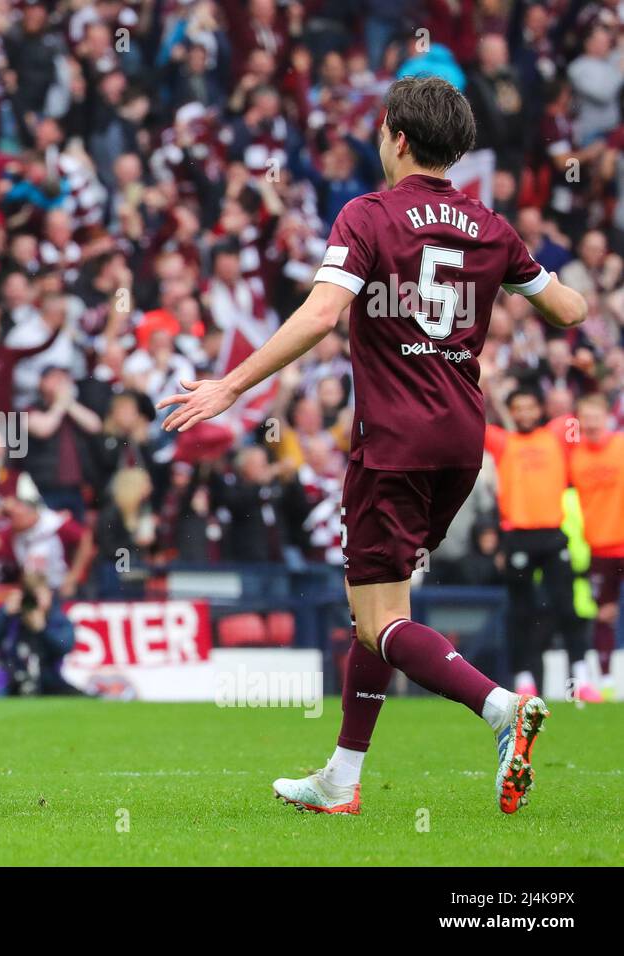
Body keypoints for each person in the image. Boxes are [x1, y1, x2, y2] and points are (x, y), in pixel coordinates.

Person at [159, 76, 587, 816]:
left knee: (377, 619)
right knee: (381, 606)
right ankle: (340, 778)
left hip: (393, 436)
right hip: (462, 438)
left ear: (393, 135)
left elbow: (324, 314)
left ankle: (500, 709)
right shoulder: (489, 224)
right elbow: (569, 310)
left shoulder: (368, 215)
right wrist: (517, 280)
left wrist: (230, 387)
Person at [484, 387, 596, 700]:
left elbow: (589, 410)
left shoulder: (557, 435)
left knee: (567, 607)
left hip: (553, 533)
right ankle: (523, 681)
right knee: (521, 612)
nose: (525, 413)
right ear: (511, 412)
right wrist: (485, 383)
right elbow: (471, 420)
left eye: (530, 407)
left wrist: (586, 375)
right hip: (518, 536)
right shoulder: (502, 441)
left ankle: (581, 681)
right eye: (518, 408)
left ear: (540, 409)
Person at [568, 393, 624, 694]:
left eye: (595, 417)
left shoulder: (621, 446)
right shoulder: (574, 457)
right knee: (605, 615)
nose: (590, 424)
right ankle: (604, 681)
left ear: (606, 418)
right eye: (585, 418)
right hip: (599, 546)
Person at [0, 572, 82, 696]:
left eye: (39, 596)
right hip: (12, 680)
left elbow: (65, 646)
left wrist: (43, 629)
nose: (34, 602)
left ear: (49, 595)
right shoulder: (11, 618)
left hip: (48, 680)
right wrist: (3, 613)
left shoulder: (57, 619)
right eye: (31, 596)